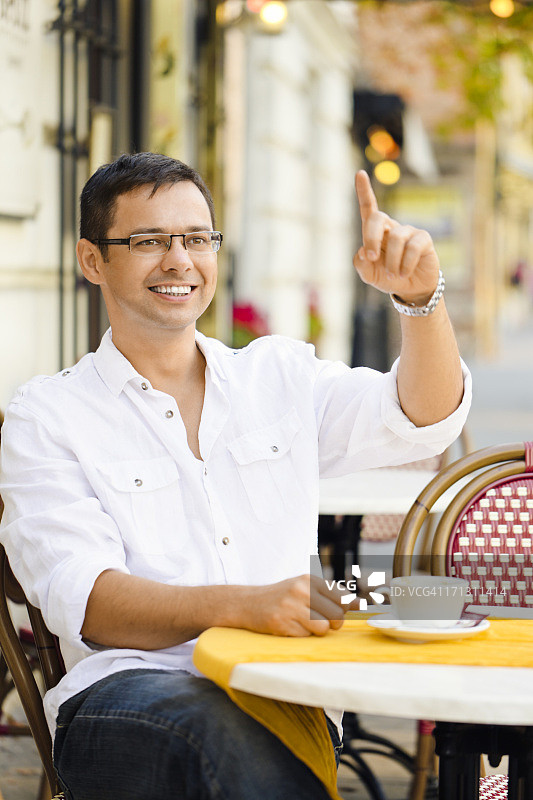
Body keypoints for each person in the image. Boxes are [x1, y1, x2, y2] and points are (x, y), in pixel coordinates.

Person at [0, 152, 471, 799]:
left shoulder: (277, 377)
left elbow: (424, 418)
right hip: (128, 697)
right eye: (148, 241)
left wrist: (419, 301)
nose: (179, 260)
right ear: (92, 260)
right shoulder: (49, 415)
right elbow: (88, 603)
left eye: (197, 238)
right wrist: (243, 605)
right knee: (214, 730)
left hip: (280, 691)